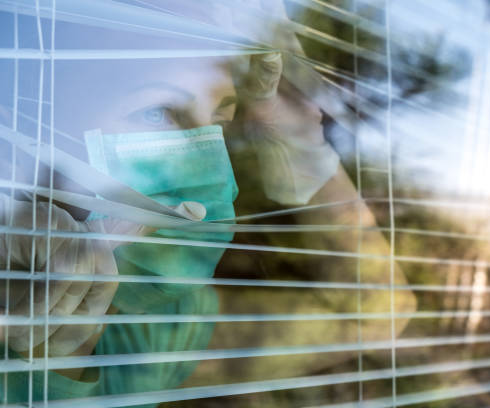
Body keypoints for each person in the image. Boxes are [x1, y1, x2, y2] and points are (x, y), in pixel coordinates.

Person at [0, 1, 417, 405]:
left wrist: (302, 141)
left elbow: (373, 316)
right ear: (50, 125)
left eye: (220, 120)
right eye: (158, 113)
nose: (206, 161)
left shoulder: (155, 333)